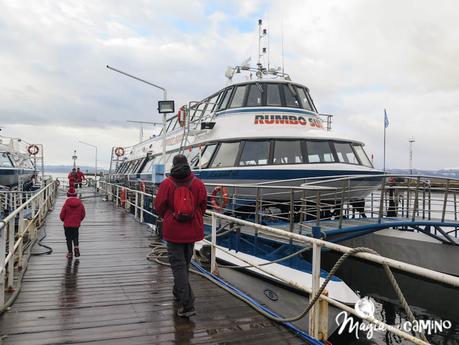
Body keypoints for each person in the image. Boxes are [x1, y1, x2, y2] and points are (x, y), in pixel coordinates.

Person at [154, 154, 207, 318]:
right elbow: (203, 205)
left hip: (174, 231)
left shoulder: (166, 184)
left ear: (173, 165)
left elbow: (159, 207)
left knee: (178, 266)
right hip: (192, 230)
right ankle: (178, 292)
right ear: (187, 165)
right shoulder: (198, 183)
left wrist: (170, 216)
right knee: (184, 264)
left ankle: (187, 304)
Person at [60, 187, 86, 259]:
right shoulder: (80, 203)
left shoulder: (66, 203)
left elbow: (62, 214)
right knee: (75, 236)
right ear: (75, 195)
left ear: (68, 195)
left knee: (68, 238)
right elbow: (83, 214)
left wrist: (63, 220)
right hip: (76, 224)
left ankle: (70, 253)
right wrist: (79, 220)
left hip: (67, 224)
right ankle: (76, 246)